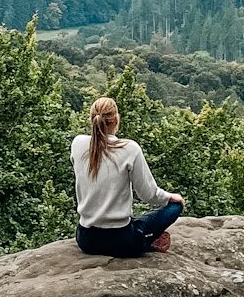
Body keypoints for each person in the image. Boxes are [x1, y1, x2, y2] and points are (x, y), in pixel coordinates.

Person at [72, 96, 184, 258]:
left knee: (136, 224)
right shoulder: (129, 149)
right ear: (116, 119)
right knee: (175, 207)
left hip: (86, 240)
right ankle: (147, 241)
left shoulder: (78, 144)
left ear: (91, 119)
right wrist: (171, 197)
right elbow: (148, 195)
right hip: (122, 241)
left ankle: (147, 239)